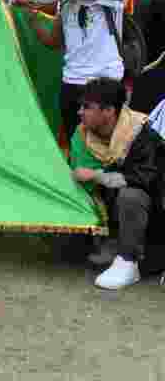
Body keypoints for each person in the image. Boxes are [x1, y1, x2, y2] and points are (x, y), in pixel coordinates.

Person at [21, 0, 165, 143]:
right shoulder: (65, 2)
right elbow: (53, 42)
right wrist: (33, 19)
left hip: (108, 85)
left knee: (112, 146)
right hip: (72, 86)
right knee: (77, 144)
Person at [68, 78, 165, 289]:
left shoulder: (142, 135)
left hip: (154, 223)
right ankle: (109, 244)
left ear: (109, 111)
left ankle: (128, 261)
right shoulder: (83, 136)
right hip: (115, 218)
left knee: (130, 195)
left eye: (87, 107)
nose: (80, 112)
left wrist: (97, 176)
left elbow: (146, 179)